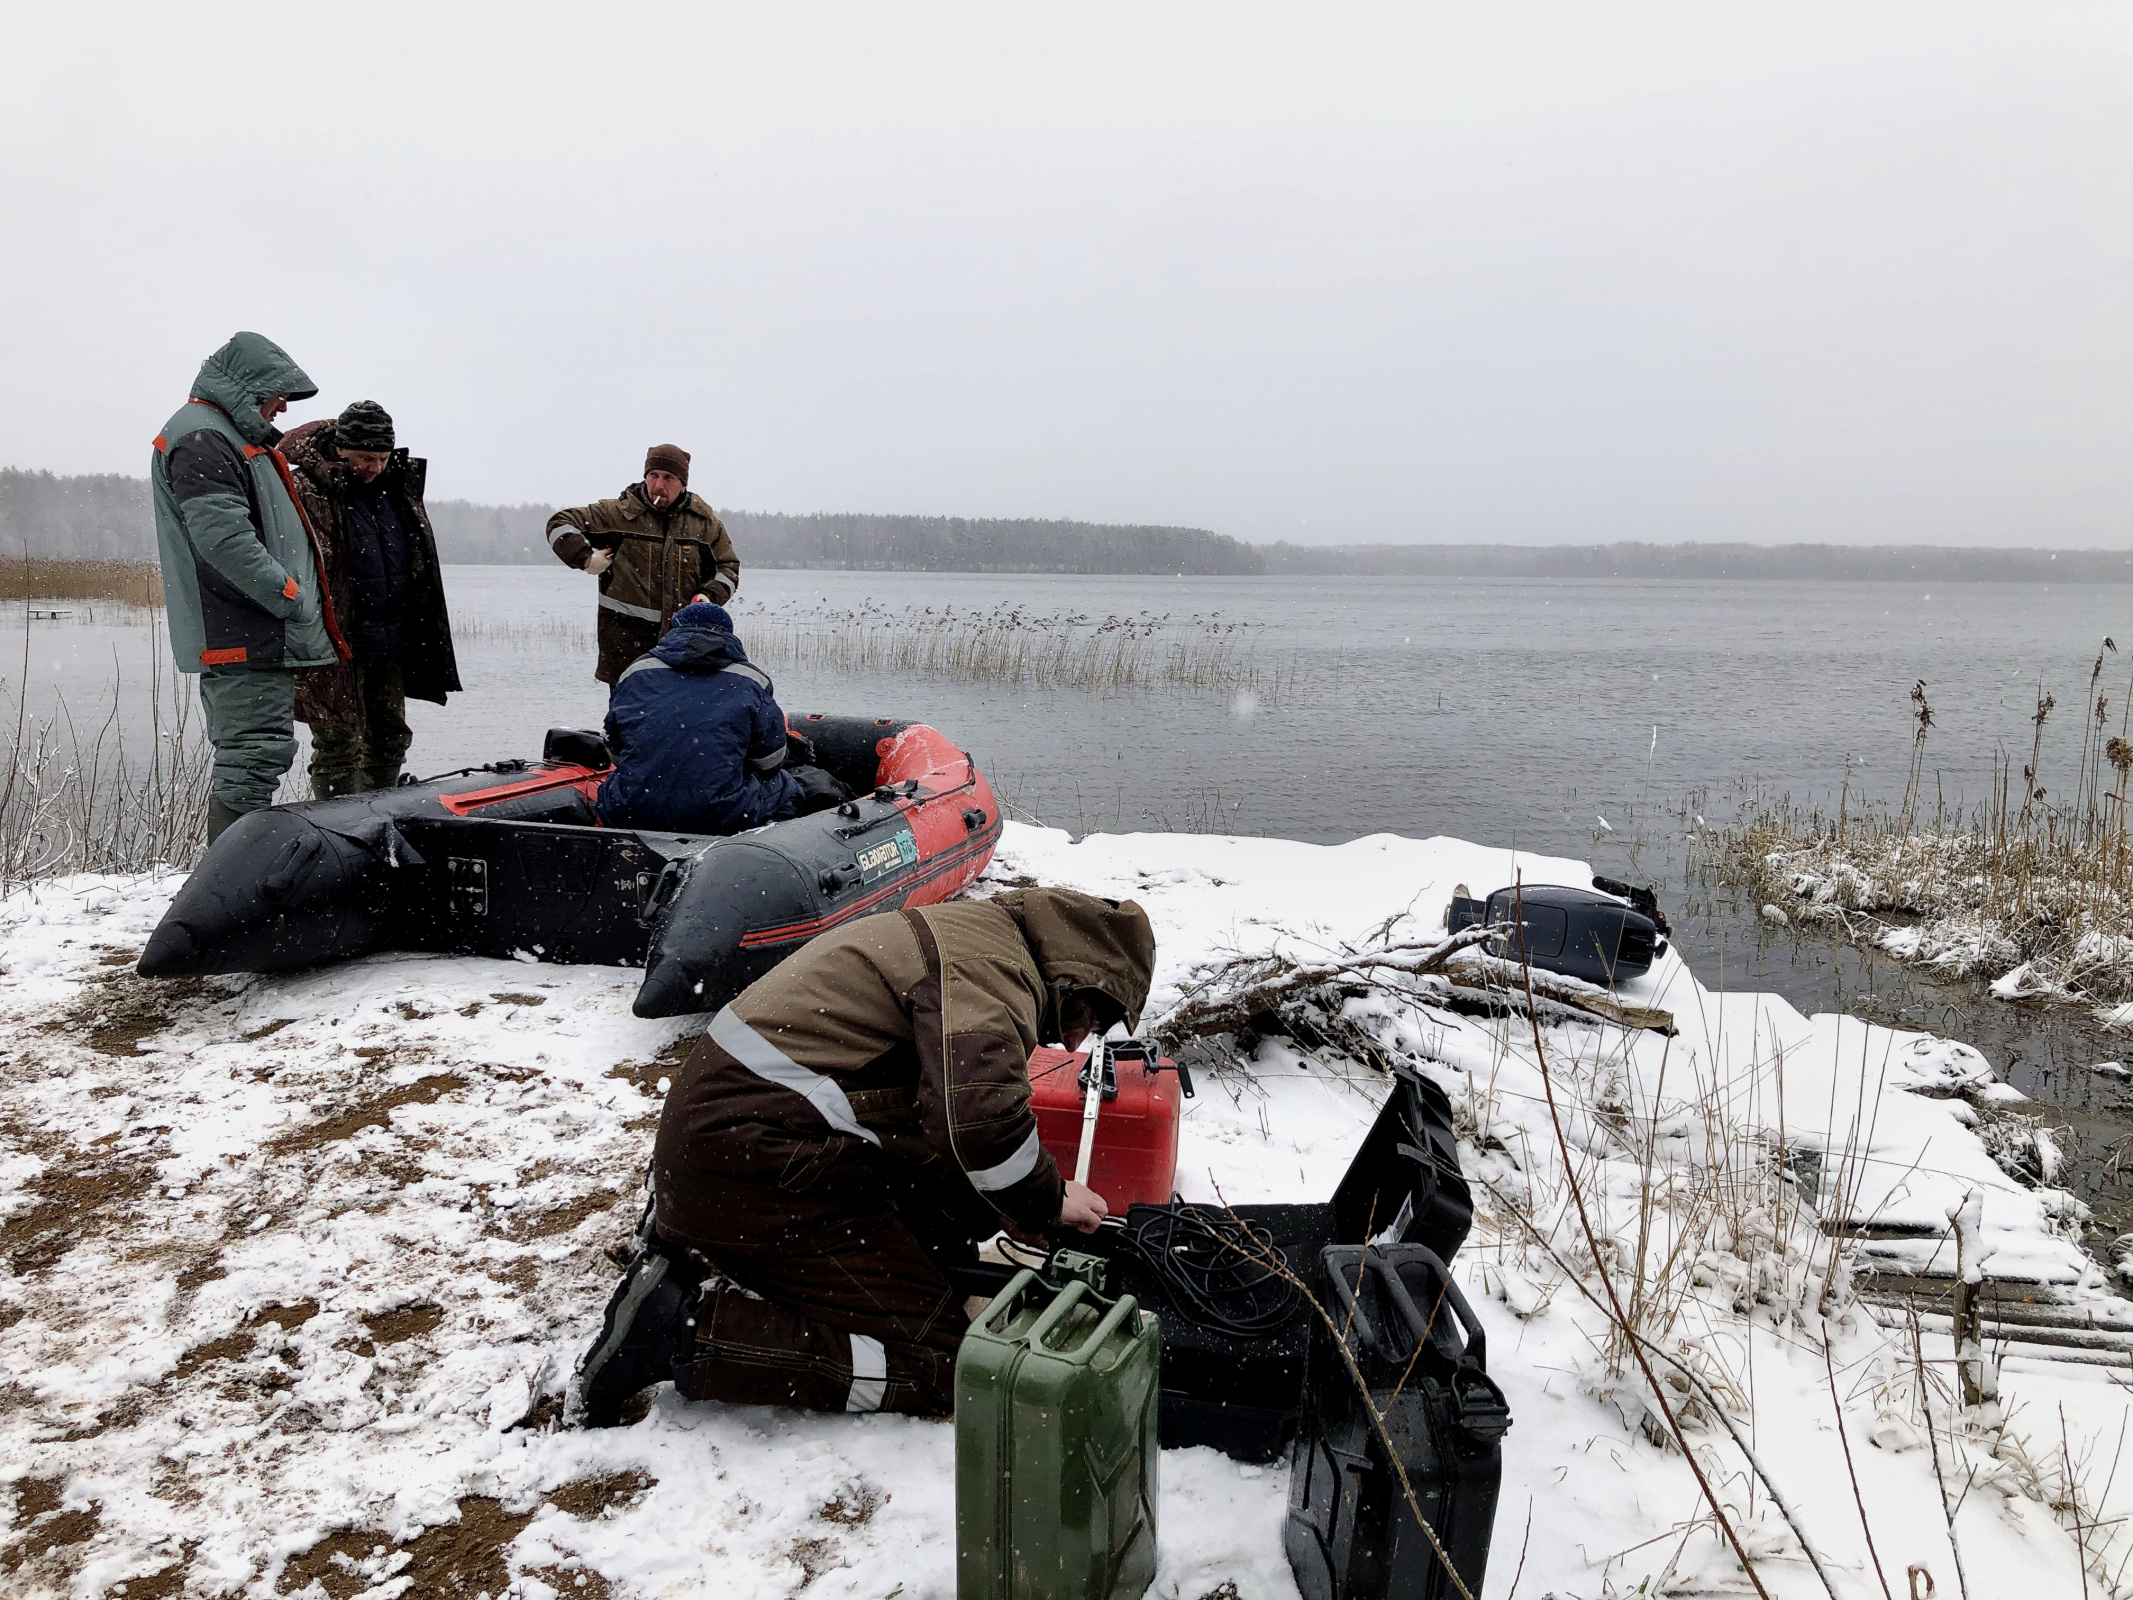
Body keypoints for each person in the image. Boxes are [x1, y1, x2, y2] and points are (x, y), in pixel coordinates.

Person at [568, 887, 1157, 1426]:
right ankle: (678, 1333)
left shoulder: (977, 935)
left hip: (735, 1146)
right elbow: (979, 1125)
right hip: (755, 1161)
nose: (1077, 1043)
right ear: (1078, 976)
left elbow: (919, 1112)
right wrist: (1048, 1200)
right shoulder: (992, 972)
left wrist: (988, 1213)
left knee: (940, 1240)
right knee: (947, 1366)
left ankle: (712, 1235)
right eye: (1094, 1018)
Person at [149, 333, 347, 842]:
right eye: (280, 393)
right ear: (250, 385)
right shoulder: (204, 437)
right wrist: (287, 595)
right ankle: (227, 898)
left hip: (248, 629)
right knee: (251, 759)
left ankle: (233, 890)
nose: (284, 406)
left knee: (257, 756)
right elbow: (223, 539)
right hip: (242, 630)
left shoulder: (220, 434)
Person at [282, 401, 461, 796]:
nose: (375, 467)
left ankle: (380, 820)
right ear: (341, 448)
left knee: (390, 736)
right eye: (366, 457)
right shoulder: (303, 488)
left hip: (391, 641)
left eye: (382, 458)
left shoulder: (397, 488)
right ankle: (342, 831)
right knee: (337, 745)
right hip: (333, 641)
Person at [596, 601, 848, 833]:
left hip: (629, 810)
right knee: (787, 788)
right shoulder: (751, 681)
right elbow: (770, 762)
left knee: (618, 783)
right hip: (721, 816)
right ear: (728, 634)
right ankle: (763, 852)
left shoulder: (636, 672)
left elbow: (615, 750)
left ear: (673, 631)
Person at [545, 445, 741, 685]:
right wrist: (585, 558)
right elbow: (559, 524)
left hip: (684, 646)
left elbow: (728, 568)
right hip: (625, 649)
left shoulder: (704, 525)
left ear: (683, 483)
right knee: (628, 719)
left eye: (668, 477)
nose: (659, 484)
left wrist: (709, 596)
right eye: (653, 475)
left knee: (678, 717)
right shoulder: (616, 515)